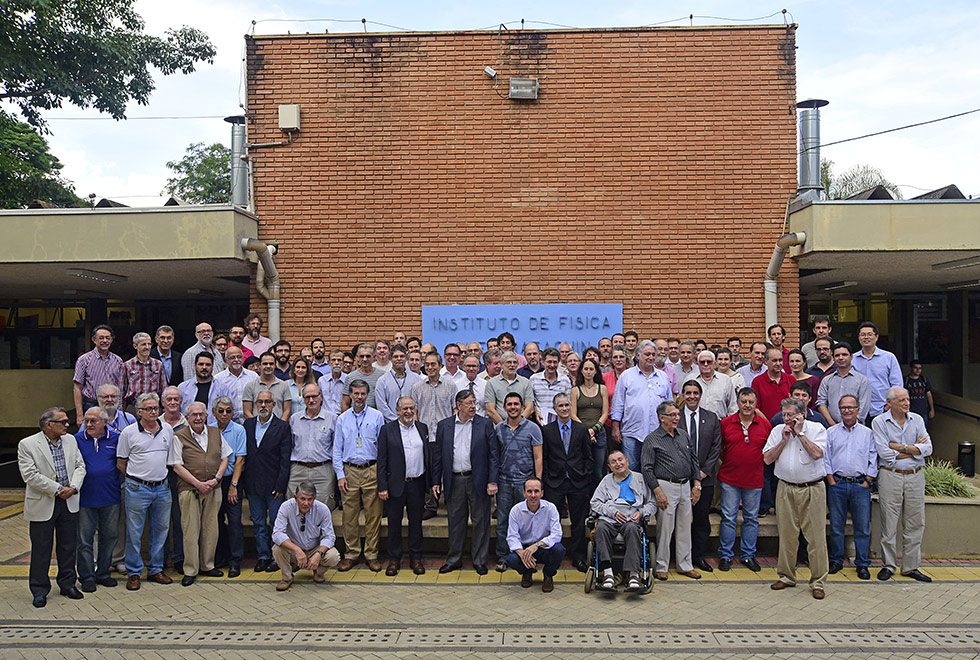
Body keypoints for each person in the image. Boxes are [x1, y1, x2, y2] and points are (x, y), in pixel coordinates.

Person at [19, 407, 87, 607]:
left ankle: (68, 585)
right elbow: (30, 475)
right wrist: (58, 489)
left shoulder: (71, 440)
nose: (68, 425)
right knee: (41, 549)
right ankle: (39, 590)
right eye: (63, 422)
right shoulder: (28, 444)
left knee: (68, 546)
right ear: (48, 424)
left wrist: (73, 487)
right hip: (44, 502)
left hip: (69, 501)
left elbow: (80, 466)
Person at [764, 397, 829, 600]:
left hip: (812, 488)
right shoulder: (777, 431)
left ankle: (818, 581)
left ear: (801, 414)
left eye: (791, 415)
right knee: (787, 535)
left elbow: (817, 453)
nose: (787, 419)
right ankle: (786, 576)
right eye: (784, 415)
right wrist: (784, 440)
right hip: (785, 488)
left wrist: (799, 433)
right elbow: (767, 458)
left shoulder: (816, 428)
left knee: (816, 538)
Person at [433, 389, 499, 574]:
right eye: (469, 403)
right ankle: (454, 559)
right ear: (459, 405)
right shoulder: (444, 425)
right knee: (455, 522)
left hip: (478, 479)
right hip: (454, 480)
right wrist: (436, 481)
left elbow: (493, 455)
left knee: (481, 521)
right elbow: (438, 456)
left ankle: (479, 560)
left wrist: (492, 481)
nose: (473, 406)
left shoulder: (485, 424)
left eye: (474, 402)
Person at [873, 386, 933, 582]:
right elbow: (884, 453)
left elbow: (928, 448)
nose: (907, 403)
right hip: (890, 474)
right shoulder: (879, 422)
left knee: (915, 523)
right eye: (902, 400)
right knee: (889, 523)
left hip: (916, 476)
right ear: (890, 403)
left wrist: (901, 447)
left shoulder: (917, 419)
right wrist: (915, 449)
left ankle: (911, 567)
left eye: (907, 399)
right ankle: (888, 565)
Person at [117, 393, 175, 590]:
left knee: (160, 531)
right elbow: (121, 462)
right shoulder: (129, 432)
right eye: (148, 409)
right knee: (134, 532)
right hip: (137, 488)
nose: (153, 412)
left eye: (156, 408)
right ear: (139, 411)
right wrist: (138, 478)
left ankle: (155, 569)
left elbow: (170, 458)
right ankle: (134, 573)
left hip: (162, 488)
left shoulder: (167, 429)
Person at [171, 402, 231, 586]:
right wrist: (197, 483)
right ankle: (191, 570)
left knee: (211, 529)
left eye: (201, 414)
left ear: (206, 416)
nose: (198, 418)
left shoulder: (215, 433)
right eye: (194, 415)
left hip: (213, 489)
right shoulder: (179, 436)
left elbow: (225, 457)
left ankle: (207, 565)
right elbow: (176, 465)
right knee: (190, 530)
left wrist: (217, 479)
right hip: (190, 490)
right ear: (187, 417)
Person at [641, 401, 702, 580]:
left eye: (677, 414)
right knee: (665, 528)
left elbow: (694, 460)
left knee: (685, 526)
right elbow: (646, 468)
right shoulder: (652, 439)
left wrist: (697, 484)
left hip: (685, 485)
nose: (677, 418)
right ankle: (662, 565)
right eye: (673, 415)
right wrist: (657, 491)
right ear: (662, 418)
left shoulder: (683, 435)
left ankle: (685, 565)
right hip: (665, 485)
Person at [334, 379, 385, 572]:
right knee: (349, 515)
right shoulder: (342, 419)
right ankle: (352, 553)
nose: (359, 397)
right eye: (356, 393)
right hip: (350, 471)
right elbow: (336, 450)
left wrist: (381, 474)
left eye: (363, 394)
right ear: (350, 395)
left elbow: (382, 448)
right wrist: (340, 474)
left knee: (374, 515)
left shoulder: (377, 416)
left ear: (367, 395)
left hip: (372, 468)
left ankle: (372, 554)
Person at [716, 388, 770, 572]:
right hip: (730, 478)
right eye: (743, 401)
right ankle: (725, 554)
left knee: (751, 519)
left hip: (754, 480)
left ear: (756, 404)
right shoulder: (726, 423)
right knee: (728, 518)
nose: (747, 405)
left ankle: (748, 555)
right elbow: (720, 449)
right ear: (738, 403)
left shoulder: (764, 425)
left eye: (751, 402)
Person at [824, 394, 877, 580]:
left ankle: (862, 564)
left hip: (860, 485)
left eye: (850, 407)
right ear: (839, 410)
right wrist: (831, 480)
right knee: (836, 526)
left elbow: (873, 458)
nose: (847, 410)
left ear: (858, 410)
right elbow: (826, 458)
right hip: (837, 484)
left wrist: (867, 481)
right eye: (843, 407)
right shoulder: (831, 432)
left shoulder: (867, 433)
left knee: (862, 527)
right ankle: (836, 560)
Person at [590, 449, 657, 592]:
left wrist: (641, 512)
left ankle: (633, 575)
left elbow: (652, 503)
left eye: (620, 460)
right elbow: (594, 502)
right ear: (609, 466)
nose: (618, 464)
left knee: (633, 529)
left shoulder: (640, 479)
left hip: (632, 519)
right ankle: (608, 574)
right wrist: (612, 512)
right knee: (601, 528)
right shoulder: (606, 481)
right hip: (610, 518)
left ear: (627, 461)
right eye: (613, 462)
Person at [541, 393, 593, 572]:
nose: (564, 409)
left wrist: (585, 474)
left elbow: (588, 456)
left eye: (566, 405)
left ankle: (578, 557)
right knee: (552, 522)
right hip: (555, 482)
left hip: (577, 482)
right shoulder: (547, 430)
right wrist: (547, 478)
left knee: (578, 522)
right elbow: (545, 457)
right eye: (560, 406)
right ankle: (553, 555)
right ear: (555, 409)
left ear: (571, 407)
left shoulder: (581, 429)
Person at [378, 396, 430, 575]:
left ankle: (416, 558)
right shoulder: (387, 430)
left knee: (416, 523)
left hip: (417, 484)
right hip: (395, 486)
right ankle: (394, 559)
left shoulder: (422, 428)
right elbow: (382, 460)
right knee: (394, 524)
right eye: (405, 408)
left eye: (411, 408)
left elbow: (428, 457)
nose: (408, 412)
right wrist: (382, 486)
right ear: (398, 410)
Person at [493, 392, 544, 571]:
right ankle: (503, 557)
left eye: (516, 404)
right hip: (505, 481)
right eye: (509, 404)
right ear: (505, 407)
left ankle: (527, 556)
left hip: (525, 482)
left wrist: (537, 482)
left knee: (527, 522)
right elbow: (495, 456)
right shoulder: (499, 429)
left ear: (522, 407)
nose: (513, 407)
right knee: (503, 521)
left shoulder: (533, 428)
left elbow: (538, 457)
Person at [244, 390, 293, 573]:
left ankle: (275, 557)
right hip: (253, 484)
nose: (263, 405)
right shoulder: (248, 425)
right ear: (255, 405)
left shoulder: (282, 427)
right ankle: (262, 556)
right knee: (258, 523)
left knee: (275, 524)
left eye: (267, 402)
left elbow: (284, 460)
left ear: (274, 405)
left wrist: (280, 485)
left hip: (274, 486)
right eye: (260, 402)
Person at [678, 381, 723, 573]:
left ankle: (699, 557)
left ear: (700, 395)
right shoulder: (675, 418)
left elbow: (716, 447)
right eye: (688, 393)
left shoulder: (711, 418)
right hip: (680, 478)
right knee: (680, 520)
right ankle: (680, 556)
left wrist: (703, 472)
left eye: (695, 393)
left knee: (701, 520)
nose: (692, 396)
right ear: (682, 395)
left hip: (706, 478)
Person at [74, 407, 120, 592]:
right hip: (85, 498)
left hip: (111, 496)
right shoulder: (76, 440)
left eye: (94, 421)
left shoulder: (116, 438)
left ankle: (103, 573)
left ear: (105, 422)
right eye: (87, 420)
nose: (89, 424)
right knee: (84, 540)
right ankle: (86, 576)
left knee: (109, 537)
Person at [610, 340, 672, 471]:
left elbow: (669, 405)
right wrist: (615, 427)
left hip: (658, 433)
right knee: (631, 469)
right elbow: (618, 403)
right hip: (632, 433)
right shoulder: (626, 376)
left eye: (653, 355)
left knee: (656, 469)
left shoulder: (663, 377)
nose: (651, 357)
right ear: (638, 356)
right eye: (647, 354)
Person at [411, 352, 458, 519]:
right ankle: (431, 505)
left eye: (433, 364)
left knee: (448, 470)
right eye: (428, 365)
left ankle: (451, 504)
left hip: (445, 436)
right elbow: (414, 412)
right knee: (429, 472)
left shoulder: (450, 385)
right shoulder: (417, 387)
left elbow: (455, 410)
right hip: (426, 437)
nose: (430, 367)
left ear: (440, 366)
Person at [270, 481, 341, 591]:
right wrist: (296, 550)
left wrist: (318, 554)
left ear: (315, 498)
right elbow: (277, 534)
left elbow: (329, 537)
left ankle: (318, 572)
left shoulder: (323, 509)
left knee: (334, 556)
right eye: (302, 499)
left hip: (314, 548)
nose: (306, 503)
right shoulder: (286, 507)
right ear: (295, 497)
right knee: (277, 549)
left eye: (310, 499)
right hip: (294, 549)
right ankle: (287, 578)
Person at [503, 477, 564, 592]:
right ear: (524, 493)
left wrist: (537, 545)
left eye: (536, 491)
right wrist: (522, 553)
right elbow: (512, 536)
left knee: (559, 550)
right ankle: (527, 572)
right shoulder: (516, 510)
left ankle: (548, 575)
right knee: (512, 559)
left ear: (542, 493)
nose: (533, 495)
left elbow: (556, 535)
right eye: (529, 491)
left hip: (543, 547)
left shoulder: (550, 508)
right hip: (526, 549)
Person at [212, 396, 247, 577]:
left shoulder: (239, 430)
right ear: (214, 413)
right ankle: (219, 557)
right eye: (221, 411)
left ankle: (235, 561)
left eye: (228, 411)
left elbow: (240, 459)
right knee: (215, 522)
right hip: (213, 483)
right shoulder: (209, 429)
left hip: (232, 480)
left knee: (234, 523)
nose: (225, 414)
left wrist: (233, 485)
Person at [73, 324, 125, 425]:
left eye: (107, 338)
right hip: (91, 404)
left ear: (112, 340)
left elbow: (121, 387)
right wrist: (79, 415)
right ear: (94, 340)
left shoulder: (118, 361)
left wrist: (120, 410)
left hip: (111, 406)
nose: (104, 341)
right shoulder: (84, 360)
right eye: (101, 338)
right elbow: (77, 388)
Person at [571, 357, 609, 489]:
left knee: (598, 472)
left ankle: (598, 501)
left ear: (595, 372)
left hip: (599, 435)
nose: (588, 371)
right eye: (585, 369)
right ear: (581, 371)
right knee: (583, 469)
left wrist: (594, 430)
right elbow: (573, 414)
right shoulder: (575, 390)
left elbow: (605, 413)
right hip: (581, 435)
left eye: (591, 369)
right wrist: (586, 431)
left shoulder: (602, 389)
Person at [852, 322, 903, 420]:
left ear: (876, 337)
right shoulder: (852, 359)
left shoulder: (889, 358)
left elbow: (897, 386)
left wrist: (887, 407)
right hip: (859, 411)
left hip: (883, 410)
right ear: (859, 337)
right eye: (863, 335)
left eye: (869, 334)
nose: (866, 337)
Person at [816, 342, 872, 426]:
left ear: (851, 357)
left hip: (856, 428)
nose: (841, 358)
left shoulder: (862, 380)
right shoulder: (827, 380)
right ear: (833, 358)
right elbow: (821, 403)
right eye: (837, 355)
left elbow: (863, 406)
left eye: (844, 355)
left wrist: (851, 425)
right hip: (831, 428)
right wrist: (833, 425)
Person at [212, 345, 259, 425]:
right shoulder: (218, 379)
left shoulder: (253, 376)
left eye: (239, 357)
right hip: (228, 424)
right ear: (226, 360)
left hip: (251, 422)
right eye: (232, 357)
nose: (236, 360)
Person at [375, 344, 423, 422]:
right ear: (390, 359)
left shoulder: (417, 379)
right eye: (396, 357)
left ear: (406, 358)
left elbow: (420, 403)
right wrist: (396, 422)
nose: (399, 359)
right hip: (391, 424)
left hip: (412, 424)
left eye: (402, 356)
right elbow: (381, 406)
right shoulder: (382, 381)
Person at [484, 351, 534, 423]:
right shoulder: (492, 383)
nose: (512, 365)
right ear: (502, 364)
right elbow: (490, 410)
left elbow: (529, 408)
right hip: (499, 427)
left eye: (515, 362)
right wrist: (504, 427)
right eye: (509, 362)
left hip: (522, 427)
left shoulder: (526, 382)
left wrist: (518, 425)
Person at [122, 332, 168, 410]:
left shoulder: (158, 364)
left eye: (149, 344)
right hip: (134, 407)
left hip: (153, 407)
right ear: (135, 346)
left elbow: (164, 389)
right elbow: (121, 391)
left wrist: (164, 408)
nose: (147, 347)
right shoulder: (127, 365)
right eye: (143, 344)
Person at [242, 351, 292, 421]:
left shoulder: (284, 385)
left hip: (278, 430)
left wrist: (279, 427)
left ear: (275, 365)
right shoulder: (250, 386)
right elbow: (247, 412)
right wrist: (257, 425)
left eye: (271, 364)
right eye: (265, 364)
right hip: (257, 429)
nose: (268, 366)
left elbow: (287, 411)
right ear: (260, 365)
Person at [688, 350, 737, 419]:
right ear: (698, 364)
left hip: (720, 424)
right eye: (702, 362)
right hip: (695, 424)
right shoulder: (690, 379)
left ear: (714, 364)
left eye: (709, 362)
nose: (706, 364)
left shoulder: (725, 380)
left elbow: (733, 406)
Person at [530, 347, 571, 425]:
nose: (552, 365)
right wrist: (536, 412)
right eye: (549, 362)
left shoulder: (565, 380)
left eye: (555, 362)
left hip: (559, 424)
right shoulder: (534, 379)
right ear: (543, 362)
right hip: (539, 423)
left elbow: (568, 403)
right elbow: (531, 402)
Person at [177, 352, 221, 424]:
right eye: (201, 364)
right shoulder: (183, 388)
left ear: (212, 366)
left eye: (208, 365)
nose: (204, 367)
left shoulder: (222, 388)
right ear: (195, 366)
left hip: (214, 430)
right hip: (188, 431)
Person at [752, 347, 794, 421]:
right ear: (765, 361)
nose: (778, 364)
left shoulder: (791, 379)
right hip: (766, 426)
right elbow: (756, 408)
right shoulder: (757, 382)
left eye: (780, 360)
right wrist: (769, 424)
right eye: (774, 360)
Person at [341, 344, 384, 410]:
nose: (364, 359)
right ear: (357, 357)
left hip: (376, 417)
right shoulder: (350, 377)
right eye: (362, 356)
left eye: (368, 356)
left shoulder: (382, 375)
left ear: (374, 357)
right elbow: (345, 403)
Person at [904, 360, 935, 427]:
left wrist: (932, 409)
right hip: (910, 410)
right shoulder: (906, 380)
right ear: (911, 368)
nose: (918, 370)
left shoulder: (924, 380)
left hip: (923, 410)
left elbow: (929, 395)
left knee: (923, 430)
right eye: (915, 368)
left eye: (920, 368)